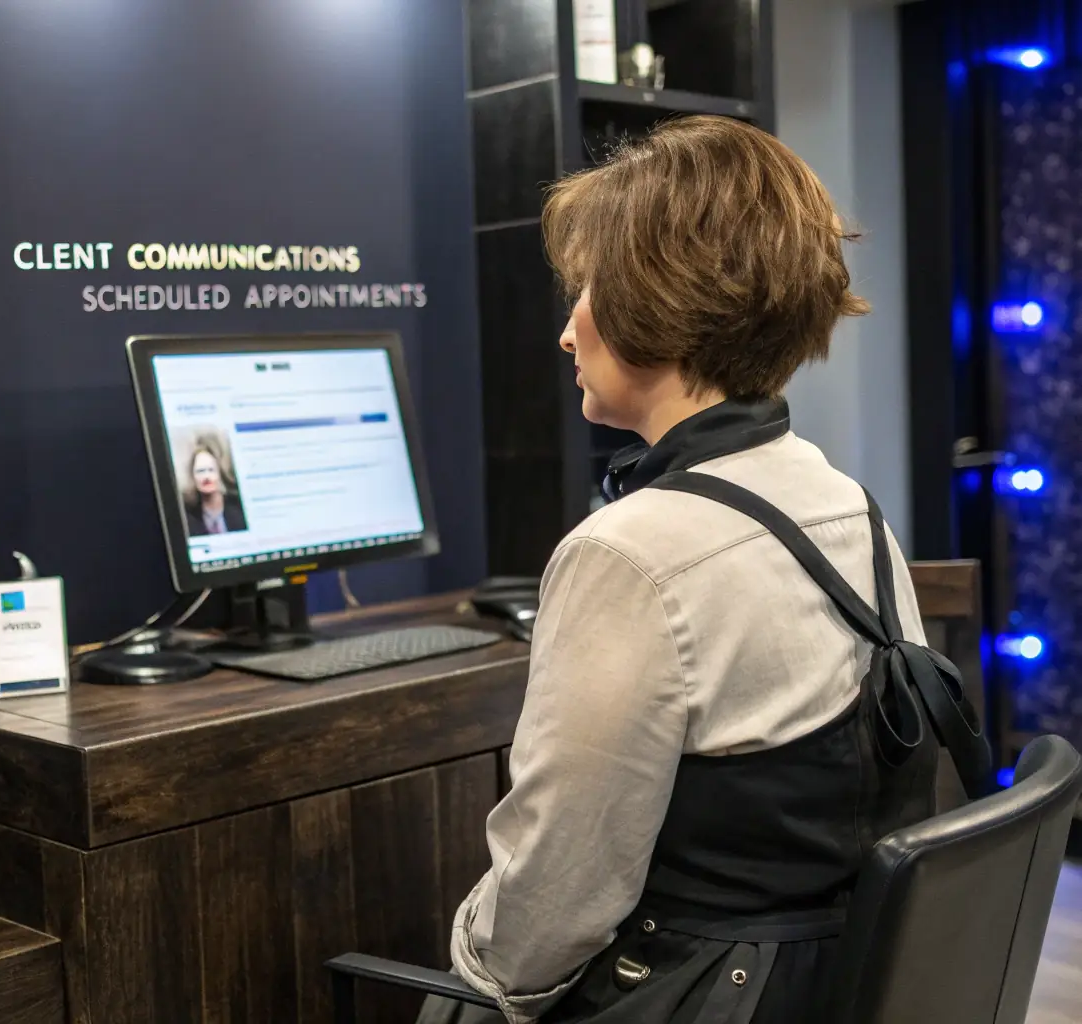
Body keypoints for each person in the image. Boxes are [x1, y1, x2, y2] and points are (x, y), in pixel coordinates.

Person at [420, 115, 980, 1024]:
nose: (567, 333)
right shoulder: (847, 502)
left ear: (653, 303)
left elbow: (553, 902)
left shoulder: (628, 552)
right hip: (840, 983)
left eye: (586, 292)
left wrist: (471, 977)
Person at [182, 436, 247, 536]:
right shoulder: (188, 518)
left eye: (211, 470)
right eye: (201, 471)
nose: (206, 477)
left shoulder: (239, 509)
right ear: (193, 476)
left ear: (219, 473)